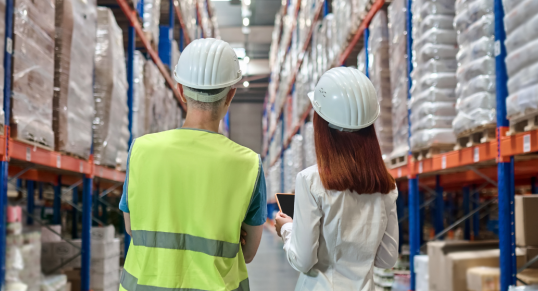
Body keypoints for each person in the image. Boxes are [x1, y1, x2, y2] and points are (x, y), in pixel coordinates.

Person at [118, 38, 266, 291]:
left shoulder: (141, 150)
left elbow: (132, 227)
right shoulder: (248, 164)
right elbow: (249, 251)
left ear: (179, 90)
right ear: (231, 94)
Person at [274, 67, 399, 291]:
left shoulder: (311, 181)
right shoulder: (386, 185)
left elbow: (303, 260)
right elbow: (387, 259)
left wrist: (287, 228)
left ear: (322, 126)